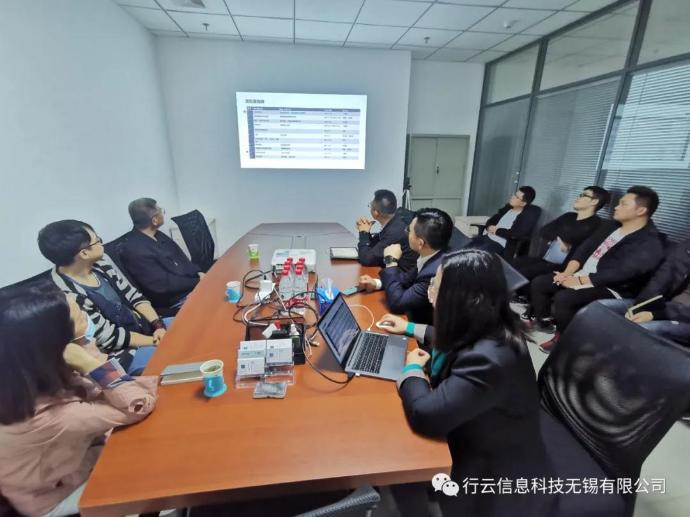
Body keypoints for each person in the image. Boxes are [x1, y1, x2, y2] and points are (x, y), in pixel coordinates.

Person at [396, 250, 555, 516]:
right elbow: (457, 339)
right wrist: (411, 328)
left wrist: (411, 371)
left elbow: (425, 415)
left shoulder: (488, 359)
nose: (430, 291)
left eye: (437, 285)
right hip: (482, 423)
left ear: (461, 298)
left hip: (493, 464)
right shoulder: (487, 321)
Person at [0, 289, 157, 517]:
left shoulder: (28, 374)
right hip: (56, 497)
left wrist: (83, 344)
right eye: (74, 312)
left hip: (80, 460)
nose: (84, 312)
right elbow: (137, 404)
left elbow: (104, 389)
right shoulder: (51, 416)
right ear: (56, 339)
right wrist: (89, 363)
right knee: (160, 473)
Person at [531, 186, 664, 353]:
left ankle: (564, 340)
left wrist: (579, 281)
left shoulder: (649, 242)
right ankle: (545, 322)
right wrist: (567, 273)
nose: (616, 207)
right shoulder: (610, 226)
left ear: (641, 210)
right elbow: (584, 250)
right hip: (583, 276)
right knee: (541, 283)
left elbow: (622, 273)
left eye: (623, 204)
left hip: (612, 287)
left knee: (565, 298)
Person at [38, 220, 167, 373]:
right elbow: (109, 338)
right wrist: (157, 341)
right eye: (97, 240)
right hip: (120, 352)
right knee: (172, 354)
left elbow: (133, 296)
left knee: (184, 327)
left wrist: (158, 325)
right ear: (84, 253)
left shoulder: (101, 262)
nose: (101, 244)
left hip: (143, 328)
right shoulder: (68, 295)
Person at [359, 208, 452, 325]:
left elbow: (397, 303)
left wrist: (390, 261)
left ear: (420, 243)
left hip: (424, 328)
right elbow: (406, 279)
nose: (406, 232)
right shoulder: (433, 254)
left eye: (409, 230)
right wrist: (377, 283)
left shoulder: (435, 272)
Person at [597, 237, 690, 346]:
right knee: (602, 307)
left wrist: (656, 314)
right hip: (665, 305)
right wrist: (641, 305)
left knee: (644, 329)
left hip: (684, 317)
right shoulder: (686, 245)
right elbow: (662, 277)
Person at [512, 186, 609, 284]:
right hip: (548, 258)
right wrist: (560, 239)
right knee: (514, 264)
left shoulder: (595, 224)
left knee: (524, 272)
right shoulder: (569, 216)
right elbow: (544, 231)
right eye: (580, 194)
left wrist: (561, 236)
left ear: (594, 201)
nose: (578, 197)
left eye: (584, 195)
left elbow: (576, 239)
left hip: (565, 266)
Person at [121, 198, 203, 312]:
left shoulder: (157, 235)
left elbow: (181, 259)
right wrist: (197, 281)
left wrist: (198, 273)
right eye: (161, 211)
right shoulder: (134, 250)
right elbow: (163, 285)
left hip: (190, 286)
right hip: (175, 300)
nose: (163, 213)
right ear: (154, 220)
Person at [356, 189, 417, 272]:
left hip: (401, 276)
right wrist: (366, 232)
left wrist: (363, 233)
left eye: (370, 205)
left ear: (376, 212)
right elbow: (376, 247)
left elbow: (367, 259)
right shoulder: (397, 218)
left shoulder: (395, 232)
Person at [471, 186, 540, 257]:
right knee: (467, 247)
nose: (512, 197)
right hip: (487, 237)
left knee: (475, 255)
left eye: (516, 197)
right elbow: (492, 220)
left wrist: (496, 230)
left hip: (499, 244)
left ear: (523, 203)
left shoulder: (525, 216)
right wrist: (489, 226)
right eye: (514, 194)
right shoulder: (507, 208)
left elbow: (515, 234)